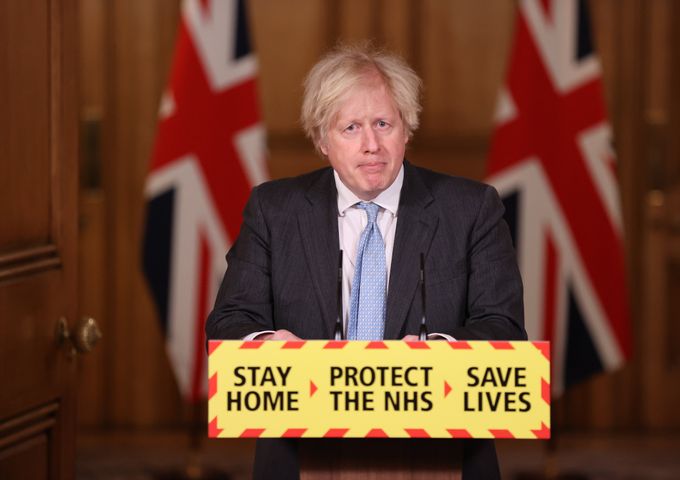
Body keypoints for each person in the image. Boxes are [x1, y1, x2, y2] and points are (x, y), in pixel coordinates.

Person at [206, 43, 526, 480]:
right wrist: (267, 346)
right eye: (351, 128)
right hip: (301, 453)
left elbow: (504, 328)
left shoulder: (471, 209)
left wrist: (442, 355)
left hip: (442, 451)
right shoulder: (274, 210)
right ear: (322, 140)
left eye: (382, 124)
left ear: (406, 128)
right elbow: (229, 320)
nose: (371, 145)